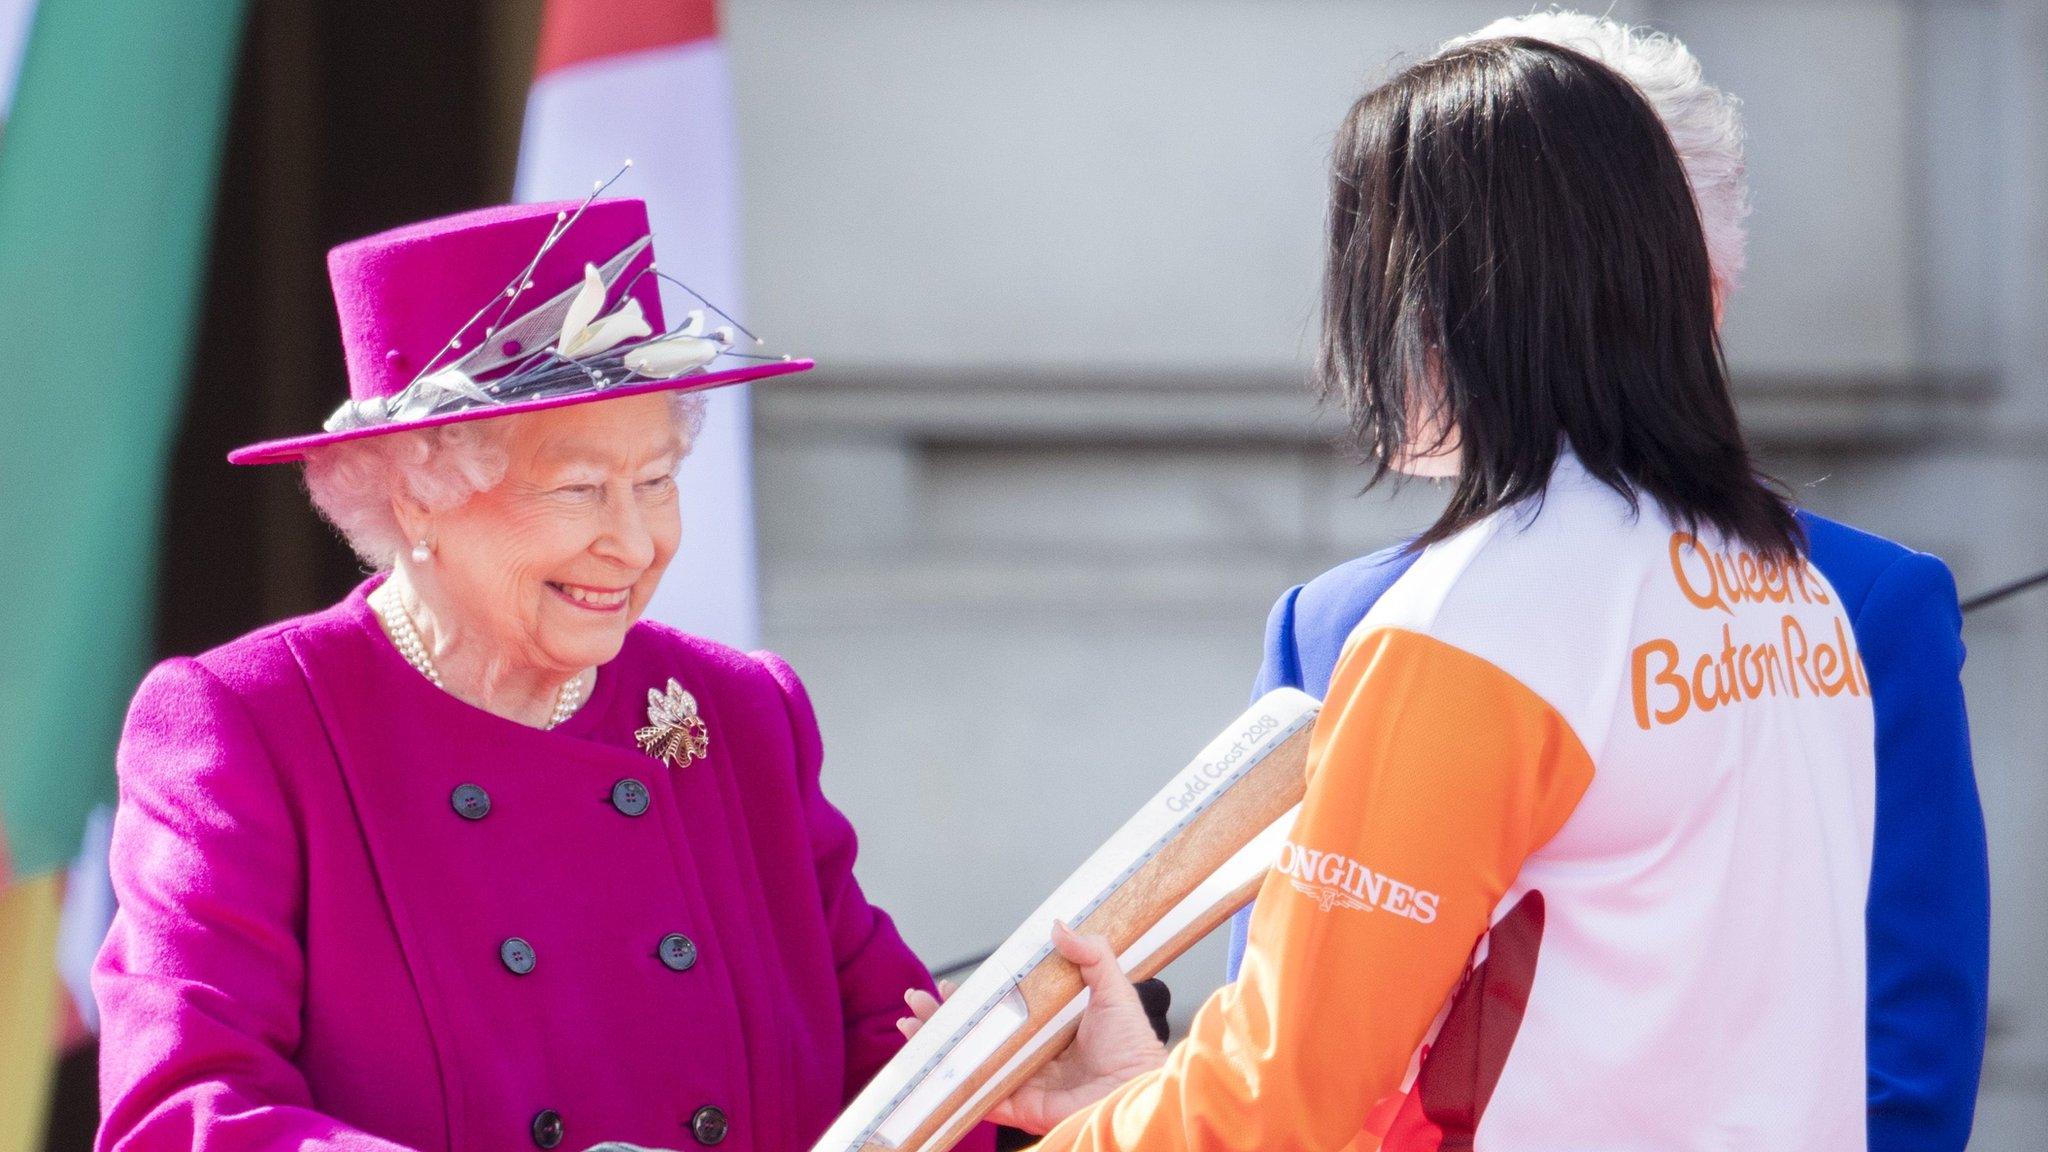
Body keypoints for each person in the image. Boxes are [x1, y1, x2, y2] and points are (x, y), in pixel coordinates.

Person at [916, 35, 1883, 1149]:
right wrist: (1141, 1102)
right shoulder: (1788, 589)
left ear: (1438, 300)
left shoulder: (1483, 618)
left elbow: (1283, 1107)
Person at [1222, 15, 1989, 1151]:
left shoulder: (1859, 602)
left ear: (1699, 292)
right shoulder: (1336, 621)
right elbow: (1276, 1044)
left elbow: (1901, 1058)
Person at [94, 194, 995, 1152]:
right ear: (419, 494)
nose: (636, 541)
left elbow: (906, 1065)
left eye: (656, 482)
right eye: (579, 491)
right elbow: (186, 1114)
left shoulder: (738, 714)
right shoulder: (253, 726)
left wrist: (1048, 1073)